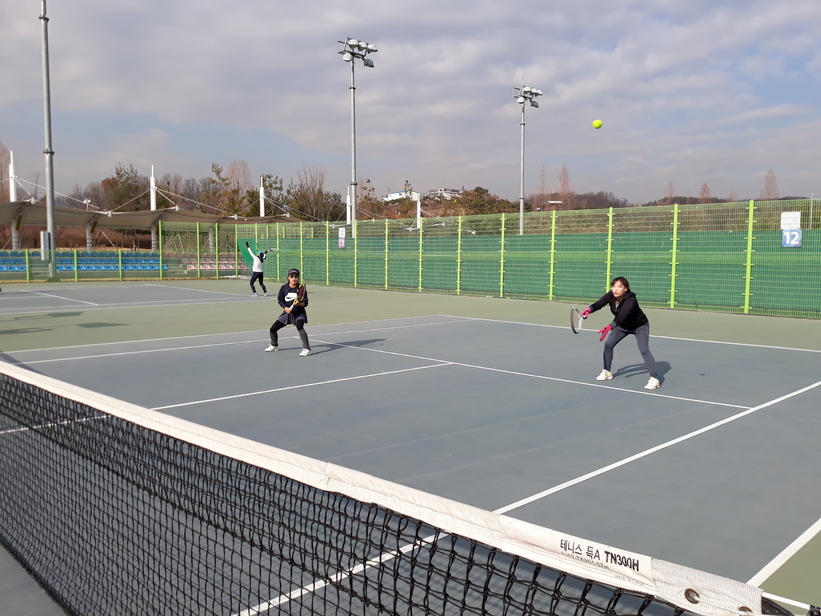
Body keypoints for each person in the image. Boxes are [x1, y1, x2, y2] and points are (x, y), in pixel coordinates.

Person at [581, 276, 660, 390]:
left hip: (639, 326)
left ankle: (654, 379)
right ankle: (607, 371)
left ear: (626, 288)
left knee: (644, 350)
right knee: (608, 344)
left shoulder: (631, 299)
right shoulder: (610, 295)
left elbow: (622, 315)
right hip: (623, 326)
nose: (615, 289)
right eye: (613, 286)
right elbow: (599, 303)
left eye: (619, 287)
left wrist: (609, 326)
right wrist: (590, 309)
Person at [266, 268, 311, 357]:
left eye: (296, 276)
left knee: (300, 326)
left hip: (299, 313)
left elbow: (305, 303)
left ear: (298, 278)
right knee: (273, 329)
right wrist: (285, 307)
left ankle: (306, 348)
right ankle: (274, 345)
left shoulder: (301, 288)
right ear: (288, 278)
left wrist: (300, 303)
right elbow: (280, 300)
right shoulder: (284, 288)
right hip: (287, 313)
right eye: (292, 276)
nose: (294, 278)